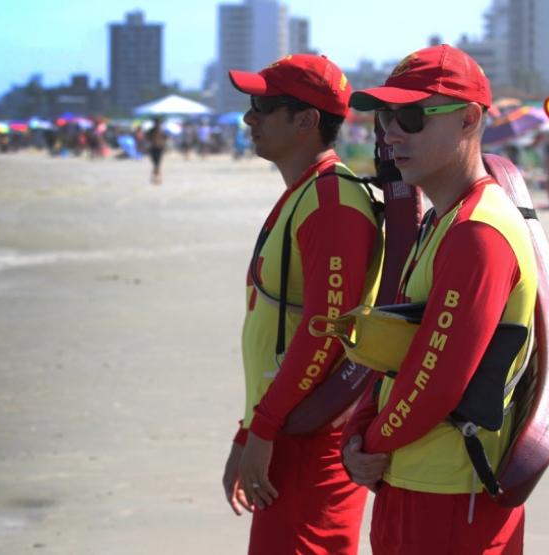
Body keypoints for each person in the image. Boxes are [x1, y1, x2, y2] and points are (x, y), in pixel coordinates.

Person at [340, 44, 537, 554]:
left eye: (410, 116)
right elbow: (403, 350)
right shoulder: (441, 219)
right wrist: (362, 432)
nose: (390, 133)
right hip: (414, 477)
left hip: (452, 494)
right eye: (384, 117)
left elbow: (436, 381)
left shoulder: (478, 232)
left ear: (469, 119)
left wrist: (370, 446)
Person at [221, 53, 384, 555]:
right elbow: (282, 334)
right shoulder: (309, 193)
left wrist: (264, 429)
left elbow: (325, 330)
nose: (250, 118)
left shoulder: (332, 204)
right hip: (286, 425)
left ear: (307, 121)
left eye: (263, 106)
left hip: (312, 437)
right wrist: (247, 432)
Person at [148, 118, 166, 184]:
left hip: (159, 148)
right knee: (155, 164)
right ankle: (156, 178)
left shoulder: (162, 131)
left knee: (157, 164)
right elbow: (148, 139)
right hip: (153, 148)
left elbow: (165, 139)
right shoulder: (151, 131)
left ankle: (157, 178)